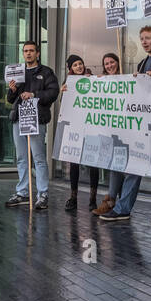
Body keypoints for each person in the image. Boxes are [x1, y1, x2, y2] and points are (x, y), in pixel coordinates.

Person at [100, 27, 151, 224]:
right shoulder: (142, 63)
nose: (144, 42)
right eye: (141, 38)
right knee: (135, 165)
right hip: (143, 123)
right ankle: (123, 208)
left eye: (148, 38)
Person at [5, 41, 60, 210]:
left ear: (38, 53)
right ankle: (22, 193)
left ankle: (42, 194)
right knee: (22, 158)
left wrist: (34, 94)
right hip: (19, 119)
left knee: (38, 159)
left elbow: (53, 92)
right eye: (25, 51)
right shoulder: (18, 72)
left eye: (31, 51)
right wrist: (13, 90)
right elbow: (10, 99)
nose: (28, 54)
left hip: (36, 119)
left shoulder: (46, 72)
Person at [61, 54, 100, 211]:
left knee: (93, 164)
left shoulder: (91, 79)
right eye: (75, 65)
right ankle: (73, 197)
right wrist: (61, 92)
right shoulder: (68, 82)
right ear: (70, 68)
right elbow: (64, 106)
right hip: (75, 128)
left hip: (91, 128)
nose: (79, 67)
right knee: (74, 163)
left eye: (80, 64)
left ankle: (92, 198)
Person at [93, 53, 125, 215]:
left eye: (112, 62)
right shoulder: (102, 82)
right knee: (115, 164)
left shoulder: (127, 78)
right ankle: (112, 199)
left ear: (118, 63)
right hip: (112, 131)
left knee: (125, 166)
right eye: (106, 64)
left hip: (129, 131)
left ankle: (116, 201)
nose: (109, 65)